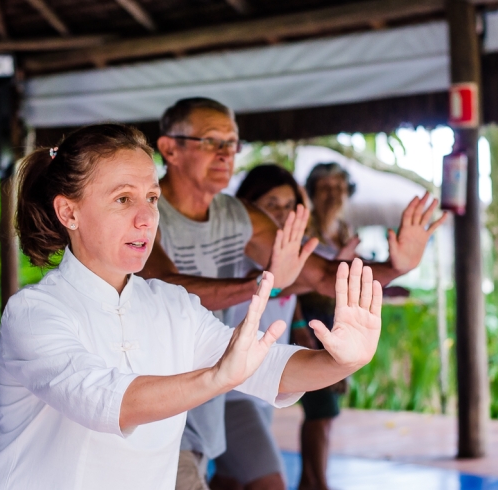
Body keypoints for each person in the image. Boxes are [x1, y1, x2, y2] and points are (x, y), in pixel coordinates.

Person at [0, 124, 384, 490]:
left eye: (151, 197)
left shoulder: (173, 306)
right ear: (69, 212)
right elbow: (106, 400)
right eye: (123, 200)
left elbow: (268, 367)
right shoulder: (35, 312)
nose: (147, 217)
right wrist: (217, 378)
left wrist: (343, 362)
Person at [138, 97, 446, 489]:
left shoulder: (238, 215)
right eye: (211, 141)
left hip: (214, 387)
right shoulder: (145, 209)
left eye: (232, 143)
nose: (225, 154)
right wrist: (264, 283)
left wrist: (395, 266)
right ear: (169, 149)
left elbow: (319, 274)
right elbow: (166, 288)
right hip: (151, 394)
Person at [211, 165, 318, 490]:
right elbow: (276, 285)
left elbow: (288, 290)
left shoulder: (285, 257)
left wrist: (299, 322)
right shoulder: (240, 253)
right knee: (269, 481)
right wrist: (323, 277)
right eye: (272, 204)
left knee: (231, 479)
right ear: (247, 206)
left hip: (262, 383)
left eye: (289, 206)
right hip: (233, 390)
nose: (283, 214)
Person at [296, 162, 360, 490]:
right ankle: (315, 482)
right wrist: (297, 325)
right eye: (326, 188)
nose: (334, 194)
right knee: (320, 410)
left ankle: (313, 481)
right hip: (309, 326)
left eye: (339, 187)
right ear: (312, 191)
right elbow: (288, 283)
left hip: (337, 327)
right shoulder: (305, 230)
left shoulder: (343, 230)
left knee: (327, 413)